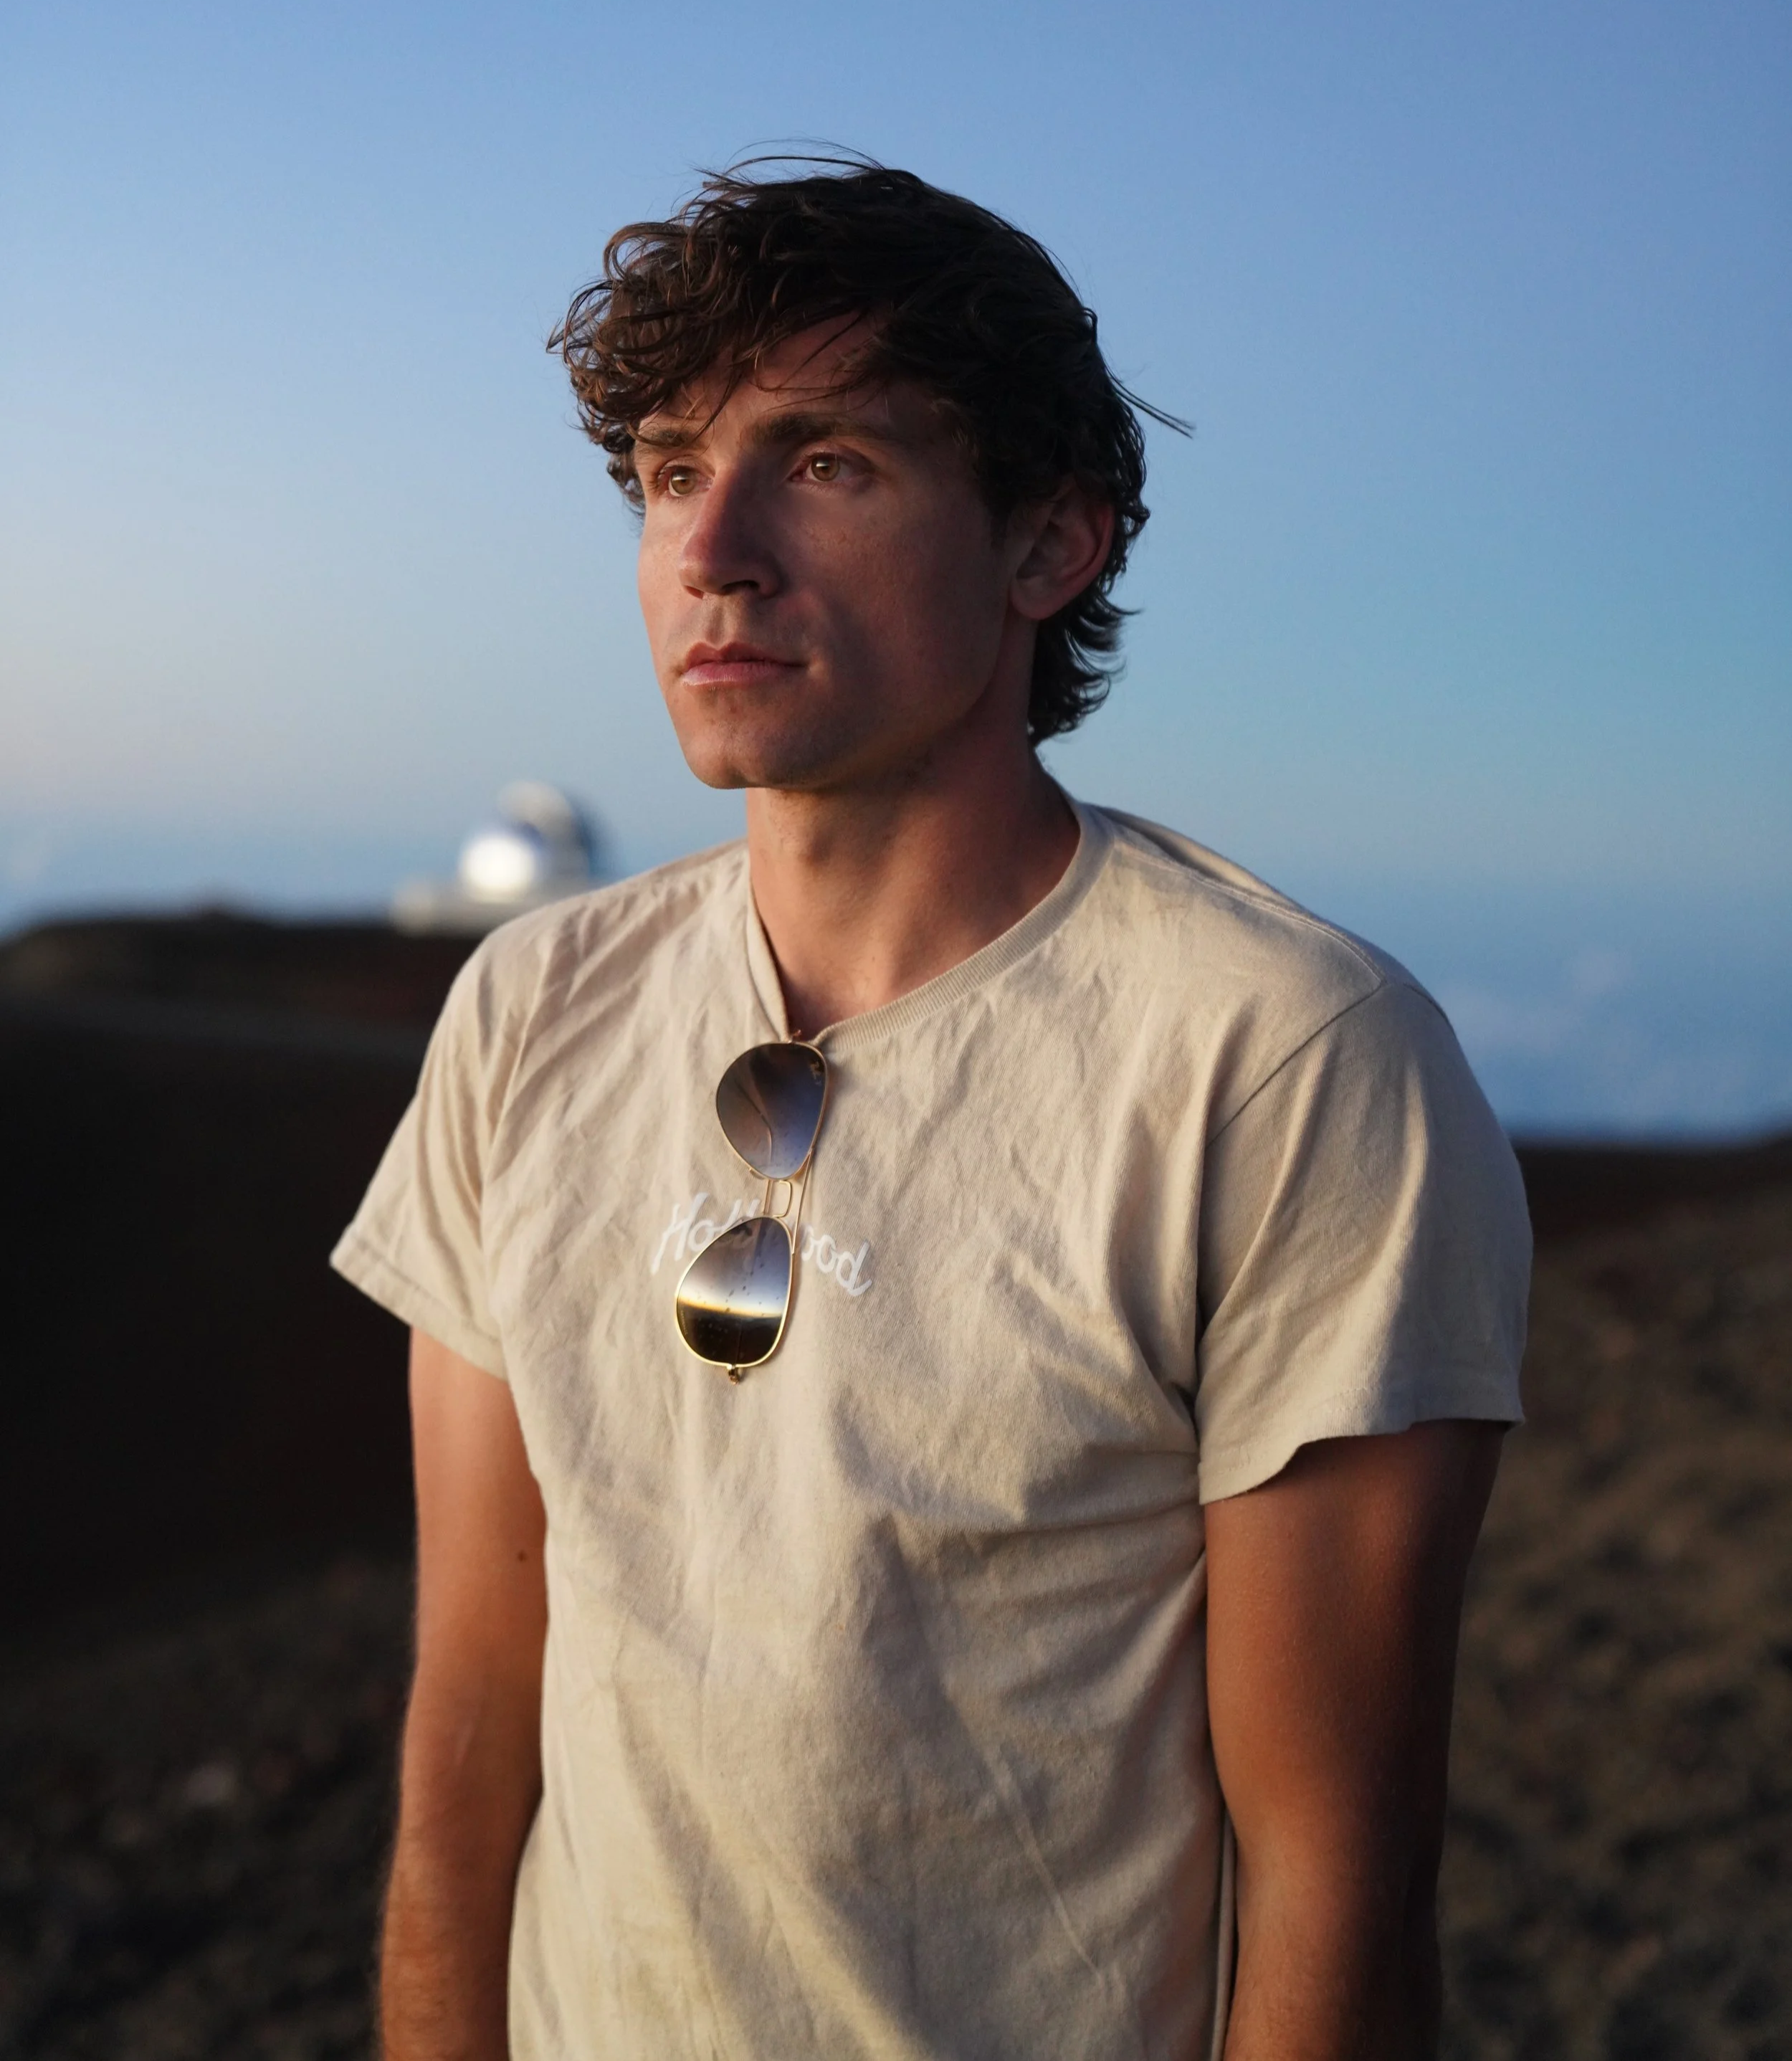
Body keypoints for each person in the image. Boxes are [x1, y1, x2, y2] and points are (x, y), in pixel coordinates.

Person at [333, 160, 1530, 2061]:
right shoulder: (526, 1010)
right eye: (664, 471)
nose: (712, 546)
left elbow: (1334, 1873)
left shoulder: (1284, 1059)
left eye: (828, 465)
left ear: (1048, 547)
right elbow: (472, 1719)